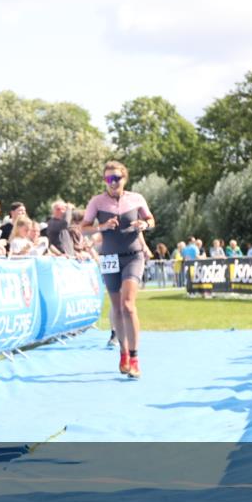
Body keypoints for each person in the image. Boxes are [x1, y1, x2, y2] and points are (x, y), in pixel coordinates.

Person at [81, 161, 155, 379]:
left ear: (124, 178)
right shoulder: (97, 202)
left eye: (116, 178)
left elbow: (151, 219)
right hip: (109, 257)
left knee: (128, 305)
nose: (112, 183)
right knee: (117, 308)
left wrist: (144, 225)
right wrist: (101, 227)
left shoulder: (136, 199)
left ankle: (134, 358)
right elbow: (83, 228)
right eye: (108, 179)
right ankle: (122, 352)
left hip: (133, 256)